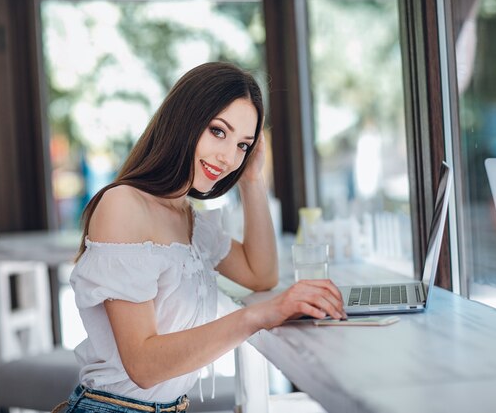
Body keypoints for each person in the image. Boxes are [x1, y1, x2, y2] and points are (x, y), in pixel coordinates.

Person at [57, 62, 346, 413]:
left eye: (243, 144)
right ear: (184, 120)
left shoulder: (188, 218)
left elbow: (261, 273)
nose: (228, 158)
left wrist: (253, 182)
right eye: (218, 131)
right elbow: (143, 365)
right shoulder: (123, 205)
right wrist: (258, 316)